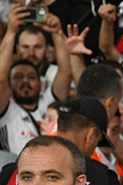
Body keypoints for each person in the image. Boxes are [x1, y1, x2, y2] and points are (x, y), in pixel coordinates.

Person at [0, 97, 121, 185]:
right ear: (90, 135)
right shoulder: (105, 179)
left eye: (52, 177)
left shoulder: (11, 172)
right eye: (97, 142)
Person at [0, 4, 71, 154]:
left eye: (31, 77)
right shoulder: (5, 108)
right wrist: (11, 31)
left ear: (40, 84)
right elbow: (0, 78)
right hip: (15, 167)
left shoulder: (49, 102)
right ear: (9, 85)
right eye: (18, 77)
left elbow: (66, 72)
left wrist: (56, 32)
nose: (25, 81)